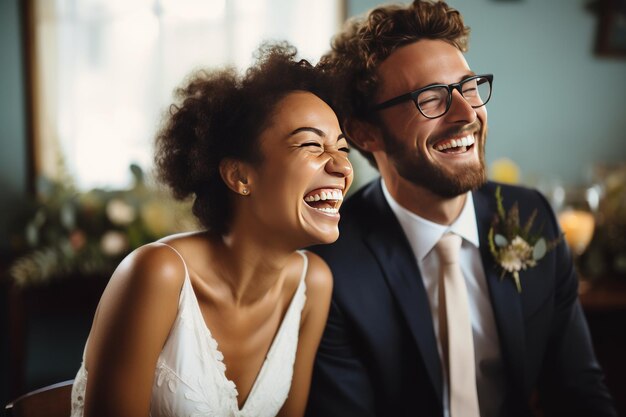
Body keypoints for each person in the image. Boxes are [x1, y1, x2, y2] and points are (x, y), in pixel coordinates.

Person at [305, 2, 617, 417]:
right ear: (365, 132)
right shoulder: (332, 266)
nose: (468, 113)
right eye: (430, 99)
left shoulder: (532, 216)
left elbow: (579, 392)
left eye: (468, 87)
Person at [70, 42, 353, 417]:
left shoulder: (313, 284)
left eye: (343, 148)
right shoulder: (157, 274)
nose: (342, 167)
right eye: (311, 144)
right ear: (240, 176)